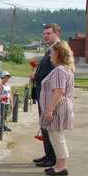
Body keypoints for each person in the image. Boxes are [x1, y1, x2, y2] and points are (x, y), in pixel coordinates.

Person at [39, 41, 75, 176]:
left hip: (57, 108)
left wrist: (49, 110)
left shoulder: (60, 70)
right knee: (57, 136)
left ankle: (61, 167)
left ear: (58, 54)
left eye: (52, 53)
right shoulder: (66, 68)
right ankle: (59, 164)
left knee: (57, 137)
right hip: (61, 106)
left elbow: (58, 91)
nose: (50, 56)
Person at [32, 24, 62, 168]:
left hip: (50, 94)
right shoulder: (50, 49)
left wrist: (38, 76)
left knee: (50, 127)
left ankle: (53, 158)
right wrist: (35, 74)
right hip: (42, 93)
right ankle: (48, 155)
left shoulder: (59, 49)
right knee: (44, 126)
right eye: (44, 34)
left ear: (57, 33)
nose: (45, 36)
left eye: (48, 33)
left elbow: (56, 72)